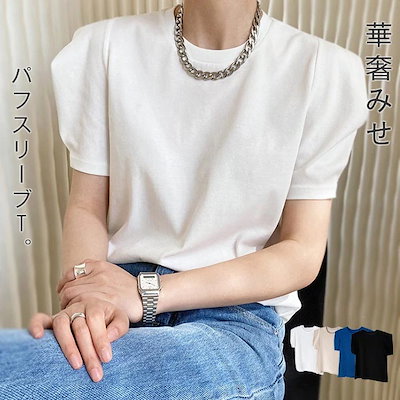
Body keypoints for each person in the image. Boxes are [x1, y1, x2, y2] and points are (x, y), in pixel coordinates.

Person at [0, 0, 368, 399]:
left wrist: (145, 293)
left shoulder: (323, 70)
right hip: (116, 304)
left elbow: (301, 252)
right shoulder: (104, 47)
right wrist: (85, 299)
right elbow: (87, 206)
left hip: (233, 322)